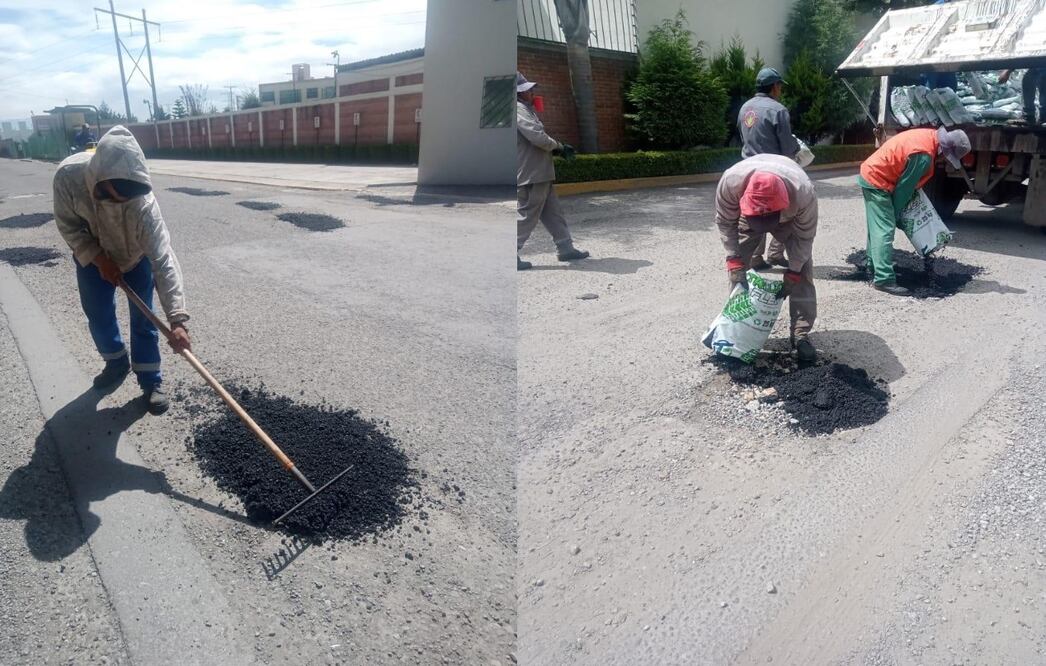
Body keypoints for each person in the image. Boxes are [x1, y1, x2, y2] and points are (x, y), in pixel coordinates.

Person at [52, 125, 191, 415]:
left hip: (134, 258)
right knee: (98, 313)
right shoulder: (68, 177)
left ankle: (150, 380)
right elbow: (68, 226)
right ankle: (116, 362)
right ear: (99, 182)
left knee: (145, 318)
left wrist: (177, 320)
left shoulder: (144, 207)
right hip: (93, 256)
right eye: (115, 198)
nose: (121, 205)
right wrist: (99, 259)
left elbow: (163, 260)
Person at [715, 154, 819, 362]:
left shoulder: (803, 193)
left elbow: (804, 238)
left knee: (803, 270)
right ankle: (736, 329)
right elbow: (726, 223)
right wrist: (733, 259)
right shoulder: (730, 183)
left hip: (789, 219)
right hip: (748, 215)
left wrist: (794, 272)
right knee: (737, 270)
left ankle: (800, 334)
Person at [857, 127, 971, 296]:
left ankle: (872, 264)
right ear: (945, 150)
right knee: (884, 228)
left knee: (877, 226)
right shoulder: (923, 155)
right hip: (878, 179)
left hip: (873, 173)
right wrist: (896, 214)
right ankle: (883, 279)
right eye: (947, 157)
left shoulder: (929, 136)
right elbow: (904, 188)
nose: (944, 160)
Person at [516, 72, 589, 271]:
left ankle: (565, 248)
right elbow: (537, 136)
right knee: (527, 215)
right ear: (518, 93)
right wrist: (559, 146)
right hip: (531, 173)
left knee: (553, 213)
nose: (532, 92)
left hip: (540, 172)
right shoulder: (518, 109)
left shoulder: (526, 109)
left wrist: (556, 147)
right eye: (528, 90)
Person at [737, 67, 800, 271]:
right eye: (780, 86)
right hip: (773, 171)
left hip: (747, 170)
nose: (780, 90)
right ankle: (775, 253)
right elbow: (787, 147)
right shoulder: (778, 110)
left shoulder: (745, 108)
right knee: (788, 211)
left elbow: (743, 137)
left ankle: (755, 258)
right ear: (774, 86)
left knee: (755, 212)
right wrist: (797, 148)